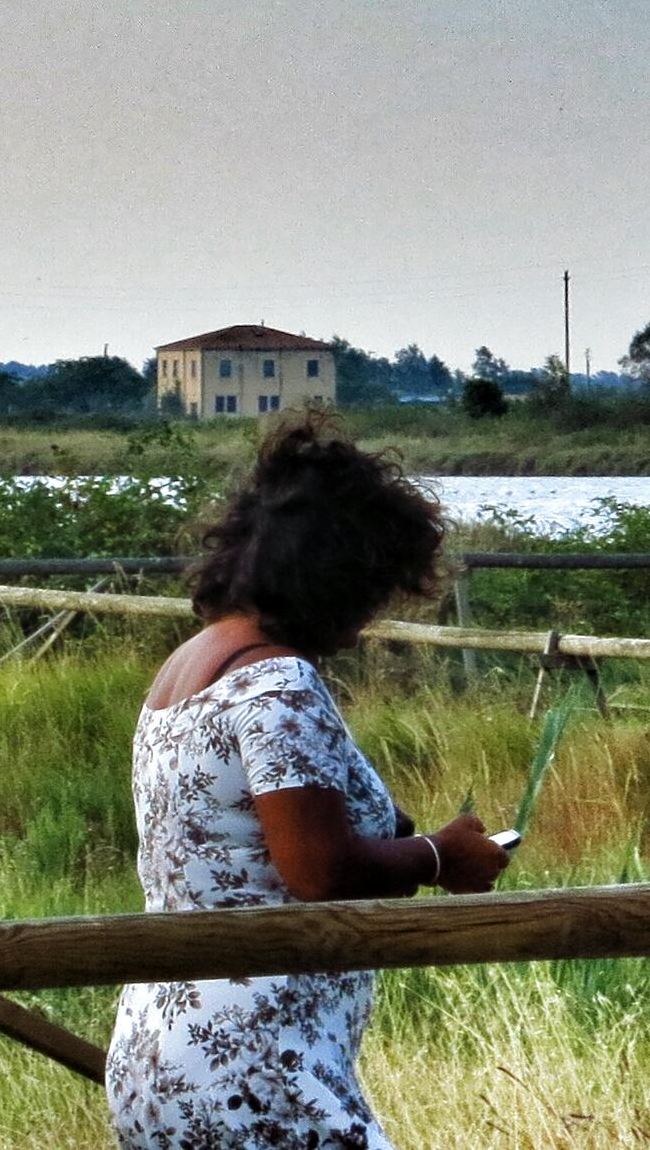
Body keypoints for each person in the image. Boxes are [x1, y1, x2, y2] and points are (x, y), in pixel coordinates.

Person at [108, 412, 509, 1150]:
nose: (369, 620)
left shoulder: (189, 666)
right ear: (334, 577)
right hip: (259, 1061)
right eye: (374, 590)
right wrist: (437, 856)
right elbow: (316, 870)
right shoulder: (278, 681)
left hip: (163, 1045)